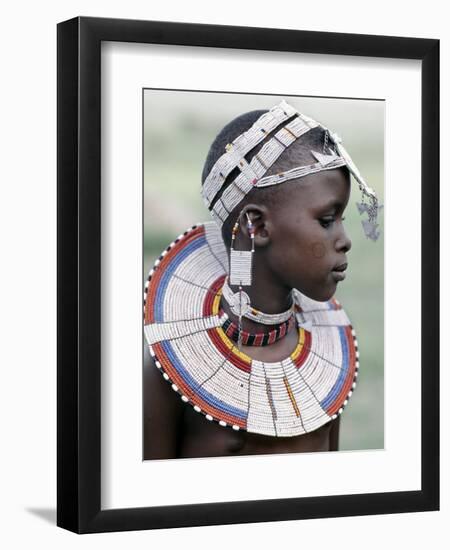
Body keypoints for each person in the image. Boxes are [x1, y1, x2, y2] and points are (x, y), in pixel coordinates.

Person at [143, 100, 380, 459]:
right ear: (256, 226)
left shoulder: (333, 360)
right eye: (327, 219)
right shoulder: (167, 370)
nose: (345, 239)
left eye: (343, 218)